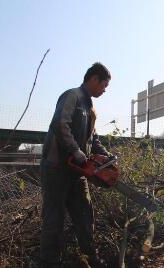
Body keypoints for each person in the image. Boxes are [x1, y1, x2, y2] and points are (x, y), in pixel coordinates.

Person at [40, 62, 112, 267]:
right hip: (57, 167)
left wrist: (105, 156)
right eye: (104, 85)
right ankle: (49, 261)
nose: (104, 90)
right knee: (54, 216)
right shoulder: (72, 96)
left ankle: (90, 256)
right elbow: (60, 124)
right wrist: (75, 151)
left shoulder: (91, 108)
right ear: (94, 79)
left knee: (84, 212)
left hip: (77, 171)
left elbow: (93, 138)